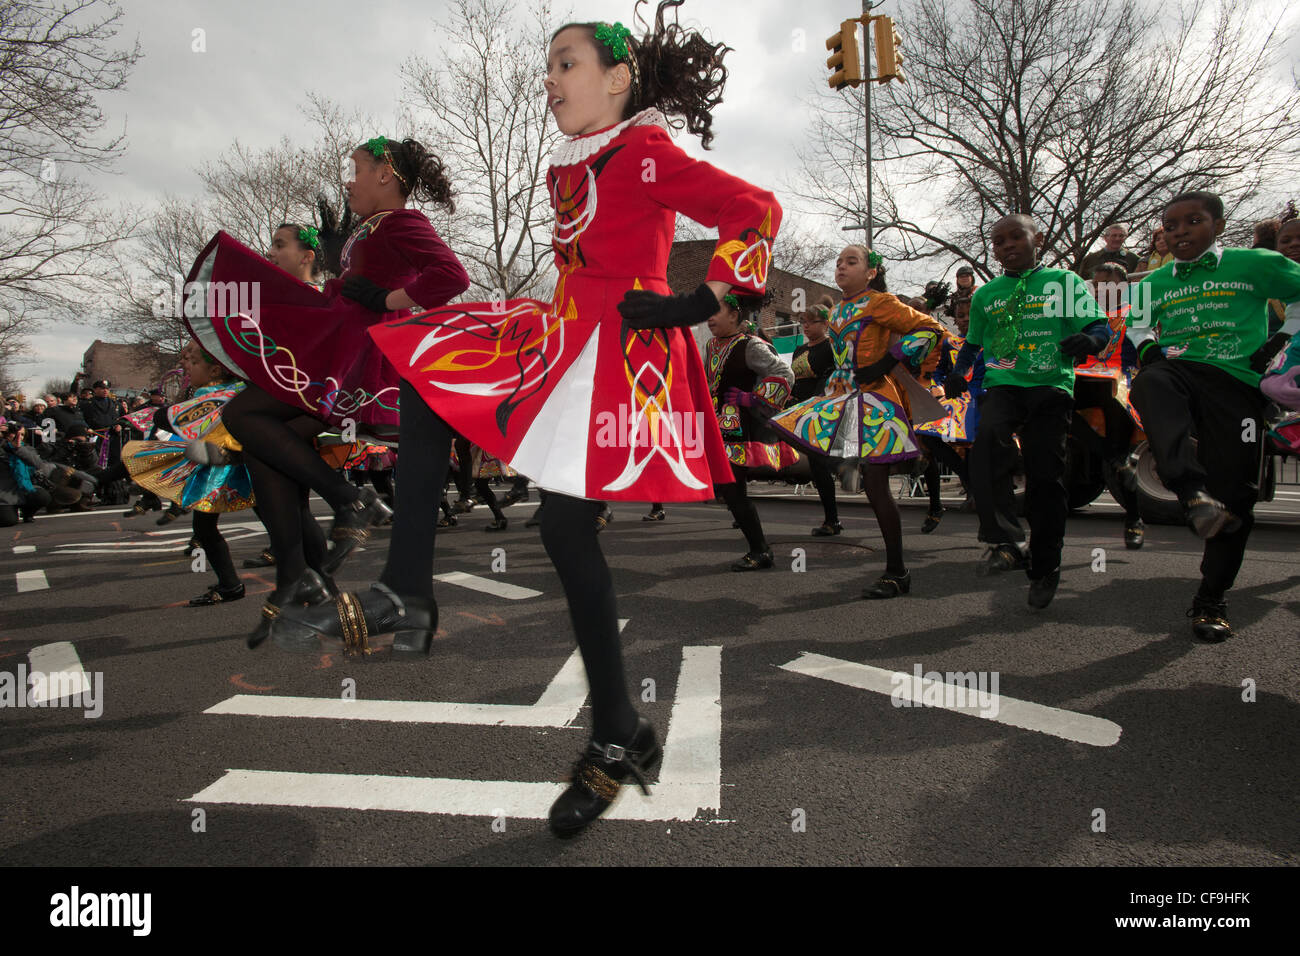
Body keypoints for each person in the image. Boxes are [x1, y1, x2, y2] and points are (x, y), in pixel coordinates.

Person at [282, 4, 781, 838]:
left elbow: (755, 208)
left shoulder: (646, 151)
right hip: (560, 338)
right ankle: (415, 590)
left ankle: (617, 733)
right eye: (547, 65)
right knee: (427, 360)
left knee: (561, 529)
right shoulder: (572, 161)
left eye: (567, 63)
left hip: (623, 355)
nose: (548, 78)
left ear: (617, 79)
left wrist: (704, 297)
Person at [185, 158, 470, 643]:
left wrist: (387, 300)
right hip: (336, 347)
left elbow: (451, 277)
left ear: (386, 176)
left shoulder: (404, 220)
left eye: (356, 169)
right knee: (263, 448)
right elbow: (354, 286)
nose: (347, 180)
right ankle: (301, 581)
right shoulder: (372, 228)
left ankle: (349, 502)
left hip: (355, 357)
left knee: (243, 414)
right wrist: (345, 264)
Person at [1128, 191, 1300, 641]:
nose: (1179, 230)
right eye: (1170, 225)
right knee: (1149, 382)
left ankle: (1211, 598)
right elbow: (1139, 324)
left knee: (1236, 500)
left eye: (1192, 221)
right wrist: (1147, 348)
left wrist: (1281, 339)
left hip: (1238, 386)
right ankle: (1189, 492)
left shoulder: (1255, 263)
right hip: (1179, 372)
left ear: (1219, 226)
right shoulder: (1153, 281)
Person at [947, 214, 1110, 609]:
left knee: (1045, 478)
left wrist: (1088, 338)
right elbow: (973, 342)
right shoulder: (987, 294)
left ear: (1036, 238)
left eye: (1014, 237)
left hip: (1050, 386)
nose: (1006, 246)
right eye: (998, 242)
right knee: (986, 443)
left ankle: (1046, 564)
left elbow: (1099, 327)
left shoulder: (1064, 282)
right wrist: (958, 372)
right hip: (1004, 385)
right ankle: (1007, 539)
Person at [768, 246, 943, 598]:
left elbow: (930, 329)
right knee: (816, 449)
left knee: (877, 486)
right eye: (838, 262)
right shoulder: (838, 311)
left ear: (871, 273)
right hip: (841, 397)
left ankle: (897, 572)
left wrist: (888, 359)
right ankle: (853, 475)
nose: (841, 267)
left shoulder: (882, 302)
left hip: (877, 400)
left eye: (851, 262)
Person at [119, 341, 263, 606]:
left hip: (224, 467)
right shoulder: (236, 389)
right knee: (271, 519)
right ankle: (236, 583)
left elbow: (172, 419)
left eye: (191, 361)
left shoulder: (213, 393)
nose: (183, 364)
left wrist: (155, 414)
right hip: (244, 463)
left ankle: (236, 584)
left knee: (212, 526)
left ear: (216, 370)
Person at [704, 293, 796, 569]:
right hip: (719, 427)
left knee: (733, 491)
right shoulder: (710, 345)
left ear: (734, 315)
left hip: (742, 429)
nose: (709, 317)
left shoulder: (751, 346)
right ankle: (759, 549)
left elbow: (785, 373)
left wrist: (751, 397)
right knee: (730, 491)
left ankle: (761, 550)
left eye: (716, 311)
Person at [1070, 262, 1143, 548]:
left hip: (1119, 381)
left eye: (1106, 283)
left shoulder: (1135, 313)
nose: (1100, 289)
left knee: (1121, 452)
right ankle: (1110, 456)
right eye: (1096, 284)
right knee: (1054, 399)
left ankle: (1134, 518)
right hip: (1085, 379)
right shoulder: (1087, 316)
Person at [789, 297, 840, 534]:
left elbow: (828, 380)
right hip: (797, 407)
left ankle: (832, 520)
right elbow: (793, 379)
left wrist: (813, 404)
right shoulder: (799, 349)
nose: (806, 326)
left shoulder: (831, 347)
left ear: (825, 324)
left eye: (811, 322)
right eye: (803, 322)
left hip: (820, 411)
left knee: (819, 465)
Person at [0, 423, 54, 525]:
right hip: (4, 492)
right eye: (14, 433)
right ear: (5, 434)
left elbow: (38, 464)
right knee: (8, 520)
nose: (19, 437)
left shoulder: (26, 449)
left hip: (23, 489)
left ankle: (27, 513)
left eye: (22, 434)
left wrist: (17, 449)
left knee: (42, 496)